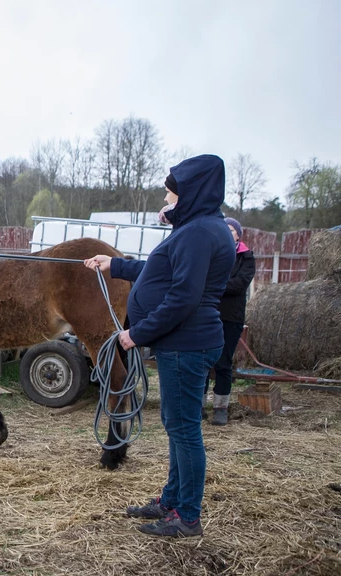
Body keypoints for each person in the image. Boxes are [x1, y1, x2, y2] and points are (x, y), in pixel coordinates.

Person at [84, 154, 236, 538]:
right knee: (176, 425)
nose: (166, 204)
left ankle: (186, 516)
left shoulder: (200, 233)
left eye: (170, 197)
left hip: (186, 344)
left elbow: (183, 297)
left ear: (190, 194)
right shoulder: (198, 228)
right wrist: (114, 265)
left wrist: (137, 334)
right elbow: (158, 268)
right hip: (184, 343)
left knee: (184, 429)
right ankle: (171, 500)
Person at [205, 217, 255, 425]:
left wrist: (214, 285)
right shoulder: (211, 253)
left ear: (238, 234)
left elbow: (239, 284)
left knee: (223, 363)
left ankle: (220, 408)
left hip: (230, 317)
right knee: (203, 362)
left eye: (231, 229)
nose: (226, 232)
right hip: (207, 314)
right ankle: (197, 405)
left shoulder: (246, 257)